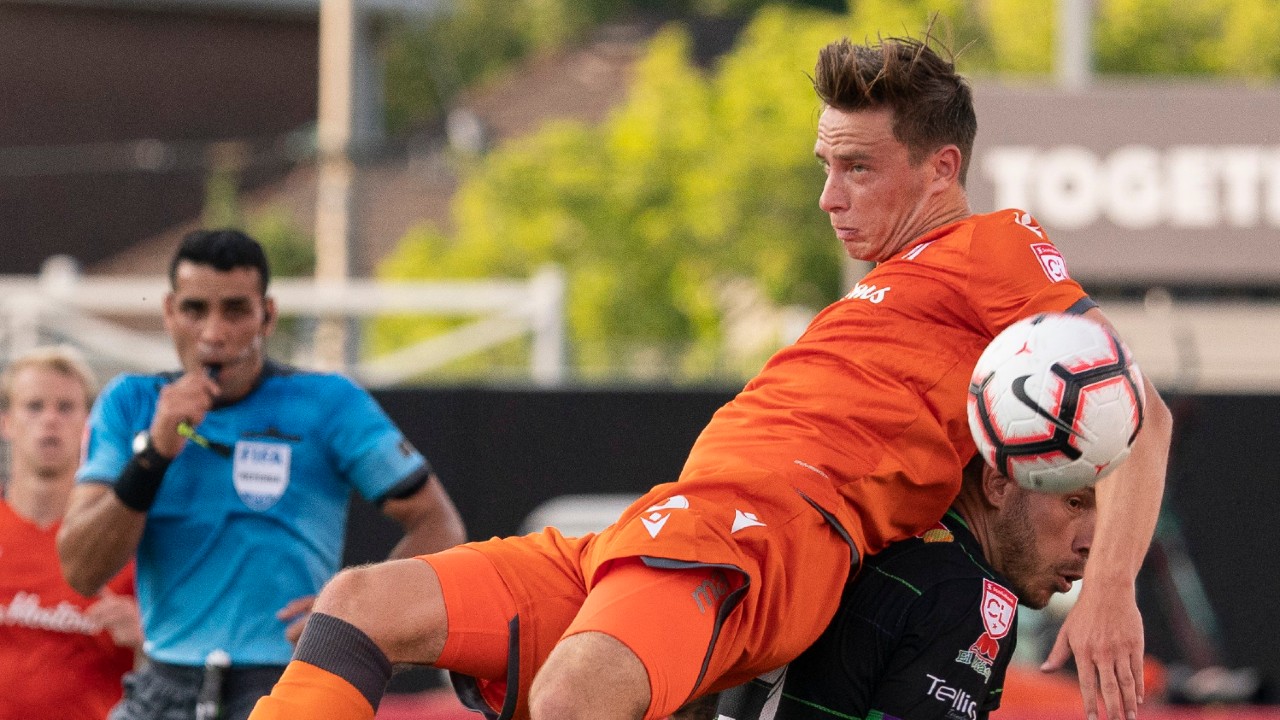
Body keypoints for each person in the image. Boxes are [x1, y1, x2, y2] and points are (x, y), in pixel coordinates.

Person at [249, 32, 1172, 720]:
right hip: (674, 523)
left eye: (858, 168)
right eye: (826, 166)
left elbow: (1139, 414)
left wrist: (1113, 592)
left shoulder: (990, 245)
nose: (829, 197)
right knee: (362, 606)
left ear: (943, 169)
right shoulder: (893, 293)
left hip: (758, 539)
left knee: (578, 695)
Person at [56, 229, 468, 720]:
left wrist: (356, 614)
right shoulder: (131, 403)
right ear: (169, 312)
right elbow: (81, 570)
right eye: (194, 310)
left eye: (235, 310)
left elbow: (440, 525)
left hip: (286, 682)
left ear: (266, 316)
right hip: (163, 685)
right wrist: (155, 453)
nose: (214, 333)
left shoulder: (328, 402)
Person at [711, 457, 1095, 720]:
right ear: (998, 484)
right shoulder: (968, 593)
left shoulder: (871, 536)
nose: (1091, 542)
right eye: (1075, 502)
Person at [0, 346, 141, 720]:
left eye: (65, 408)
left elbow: (177, 675)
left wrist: (145, 639)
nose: (50, 420)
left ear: (87, 425)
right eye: (34, 406)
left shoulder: (122, 541)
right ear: (6, 421)